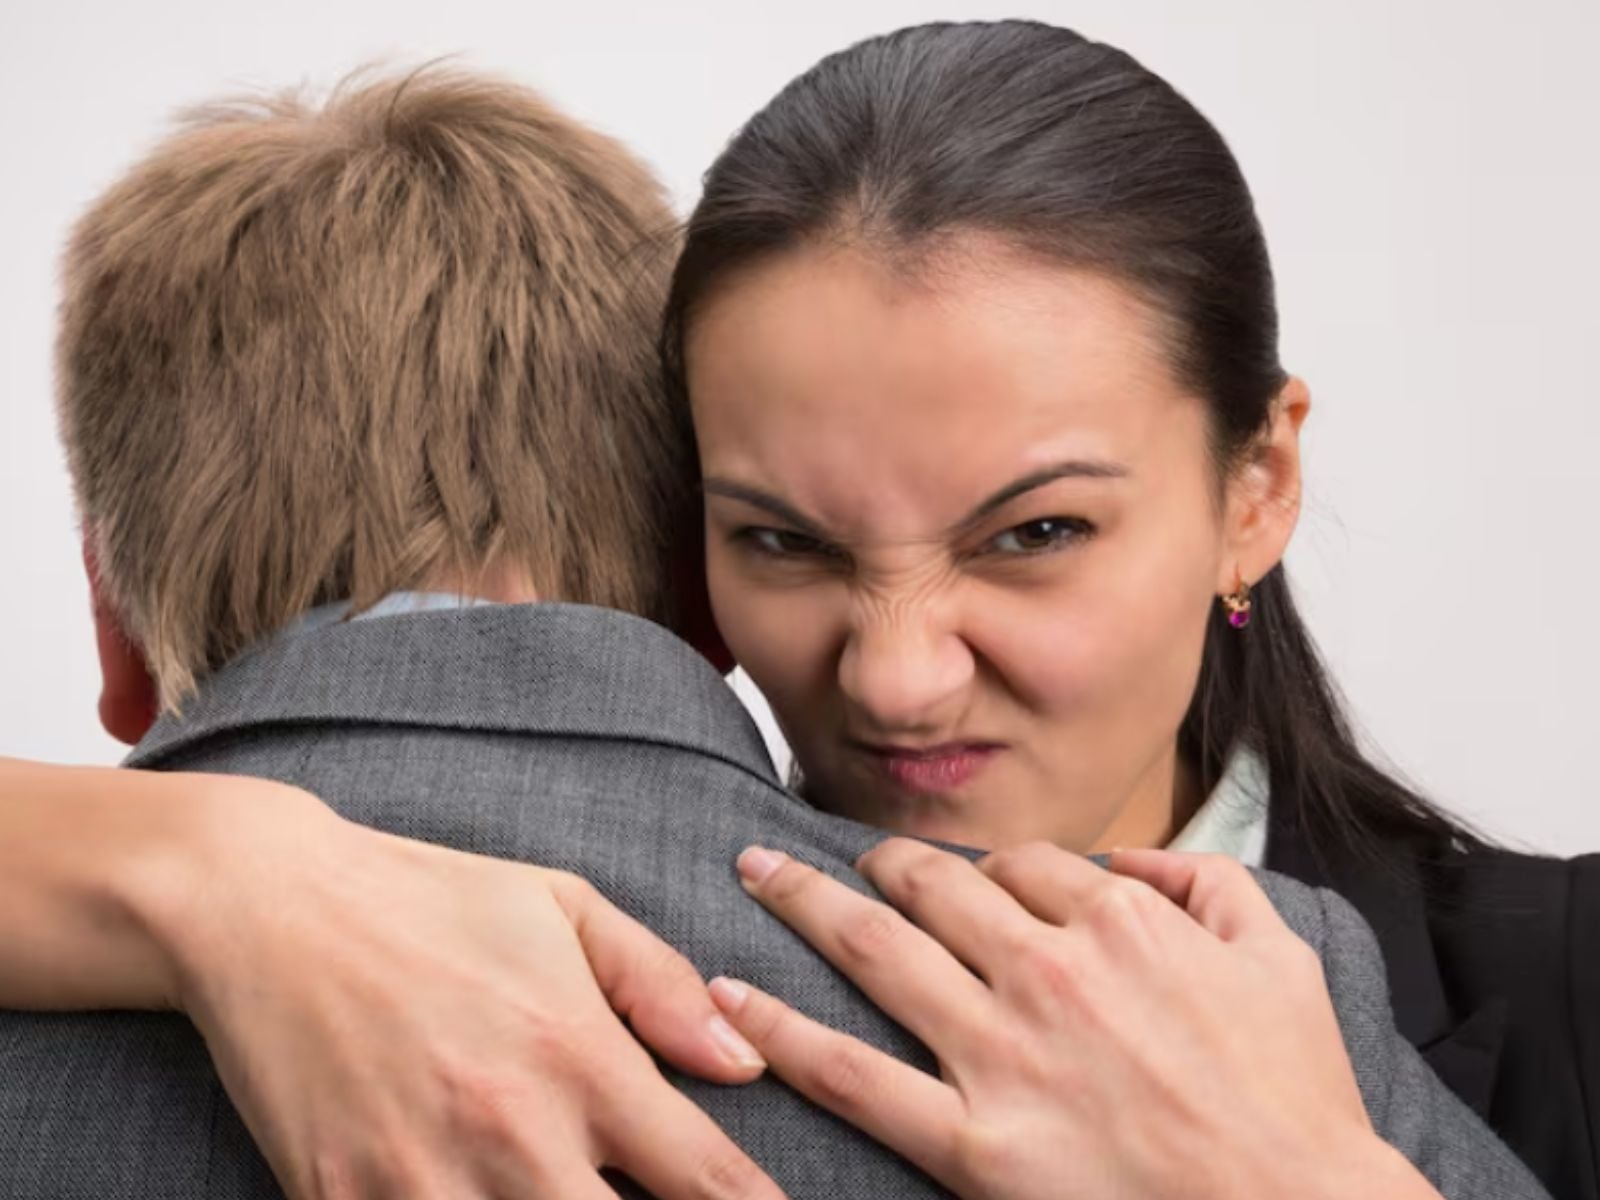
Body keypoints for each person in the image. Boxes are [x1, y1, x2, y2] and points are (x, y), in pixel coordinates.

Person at [1, 16, 1591, 1198]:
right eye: (785, 544)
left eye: (1034, 532)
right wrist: (218, 876)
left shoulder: (1534, 997)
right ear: (679, 564)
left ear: (1257, 487)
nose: (894, 682)